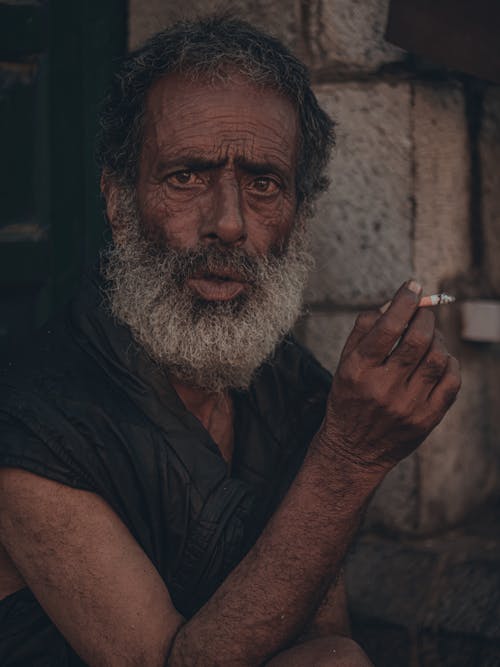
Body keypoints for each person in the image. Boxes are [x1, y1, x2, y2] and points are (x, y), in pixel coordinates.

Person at [0, 16, 460, 667]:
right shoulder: (28, 419)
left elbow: (316, 636)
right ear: (118, 201)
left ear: (298, 215)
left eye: (264, 183)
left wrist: (341, 446)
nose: (228, 222)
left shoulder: (290, 386)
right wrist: (349, 459)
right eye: (186, 176)